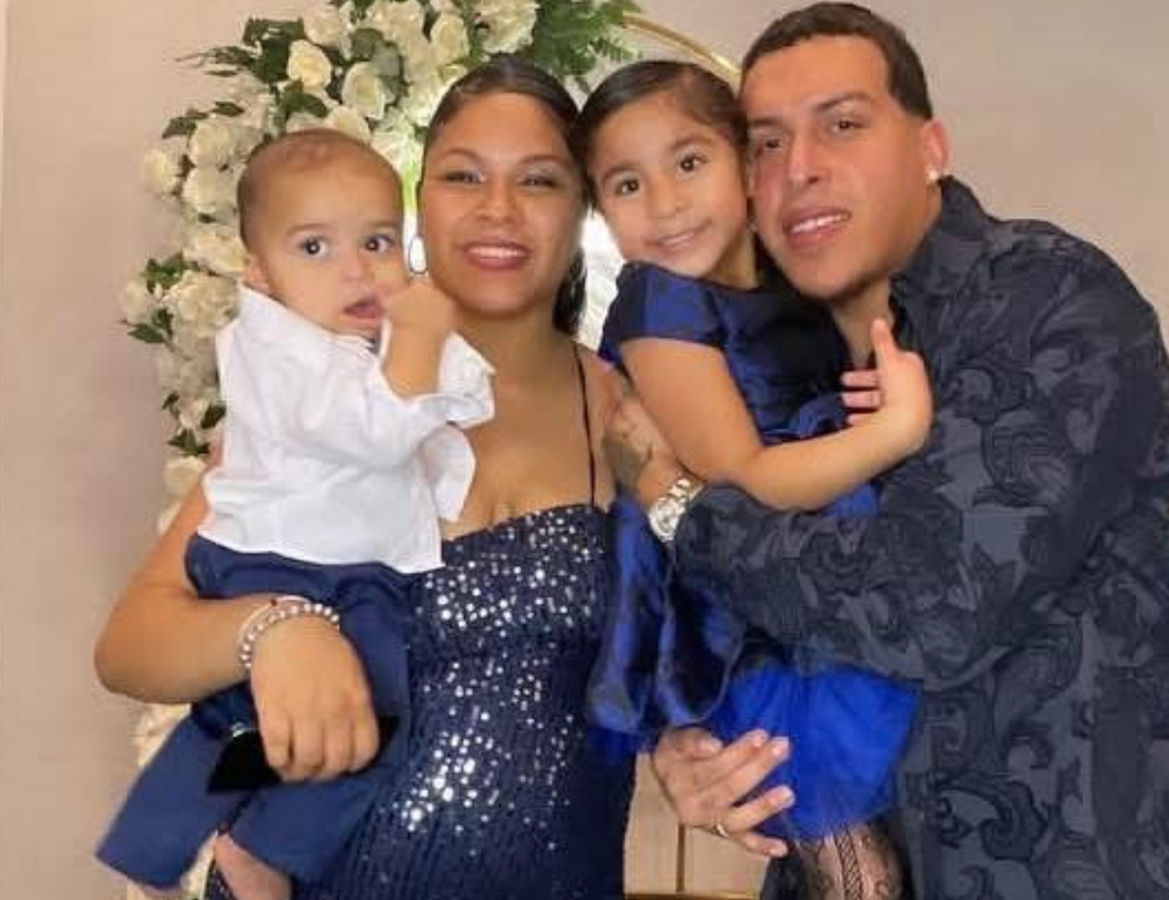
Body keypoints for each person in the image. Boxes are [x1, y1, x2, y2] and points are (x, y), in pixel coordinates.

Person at [620, 4, 1169, 899]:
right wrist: (696, 744)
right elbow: (726, 625)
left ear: (930, 149)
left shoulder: (1046, 298)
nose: (799, 168)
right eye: (765, 143)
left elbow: (928, 606)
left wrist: (680, 506)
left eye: (842, 124)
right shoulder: (756, 372)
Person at [95, 56, 642, 900]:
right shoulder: (319, 400)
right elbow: (130, 648)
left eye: (538, 179)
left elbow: (709, 631)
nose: (497, 208)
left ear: (582, 206)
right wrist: (274, 629)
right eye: (463, 176)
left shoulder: (625, 406)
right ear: (421, 202)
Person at [97, 129, 496, 900]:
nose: (357, 270)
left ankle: (151, 842)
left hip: (302, 559)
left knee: (230, 717)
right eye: (315, 247)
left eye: (377, 242)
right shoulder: (284, 351)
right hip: (300, 569)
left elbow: (455, 407)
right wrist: (420, 341)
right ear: (259, 273)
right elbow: (380, 432)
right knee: (372, 725)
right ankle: (265, 850)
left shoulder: (348, 344)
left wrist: (425, 347)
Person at [572, 59, 931, 899]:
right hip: (744, 631)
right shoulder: (659, 304)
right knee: (859, 875)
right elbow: (744, 478)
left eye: (688, 162)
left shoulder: (794, 283)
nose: (665, 203)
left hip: (819, 596)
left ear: (744, 163)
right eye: (627, 184)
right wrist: (895, 432)